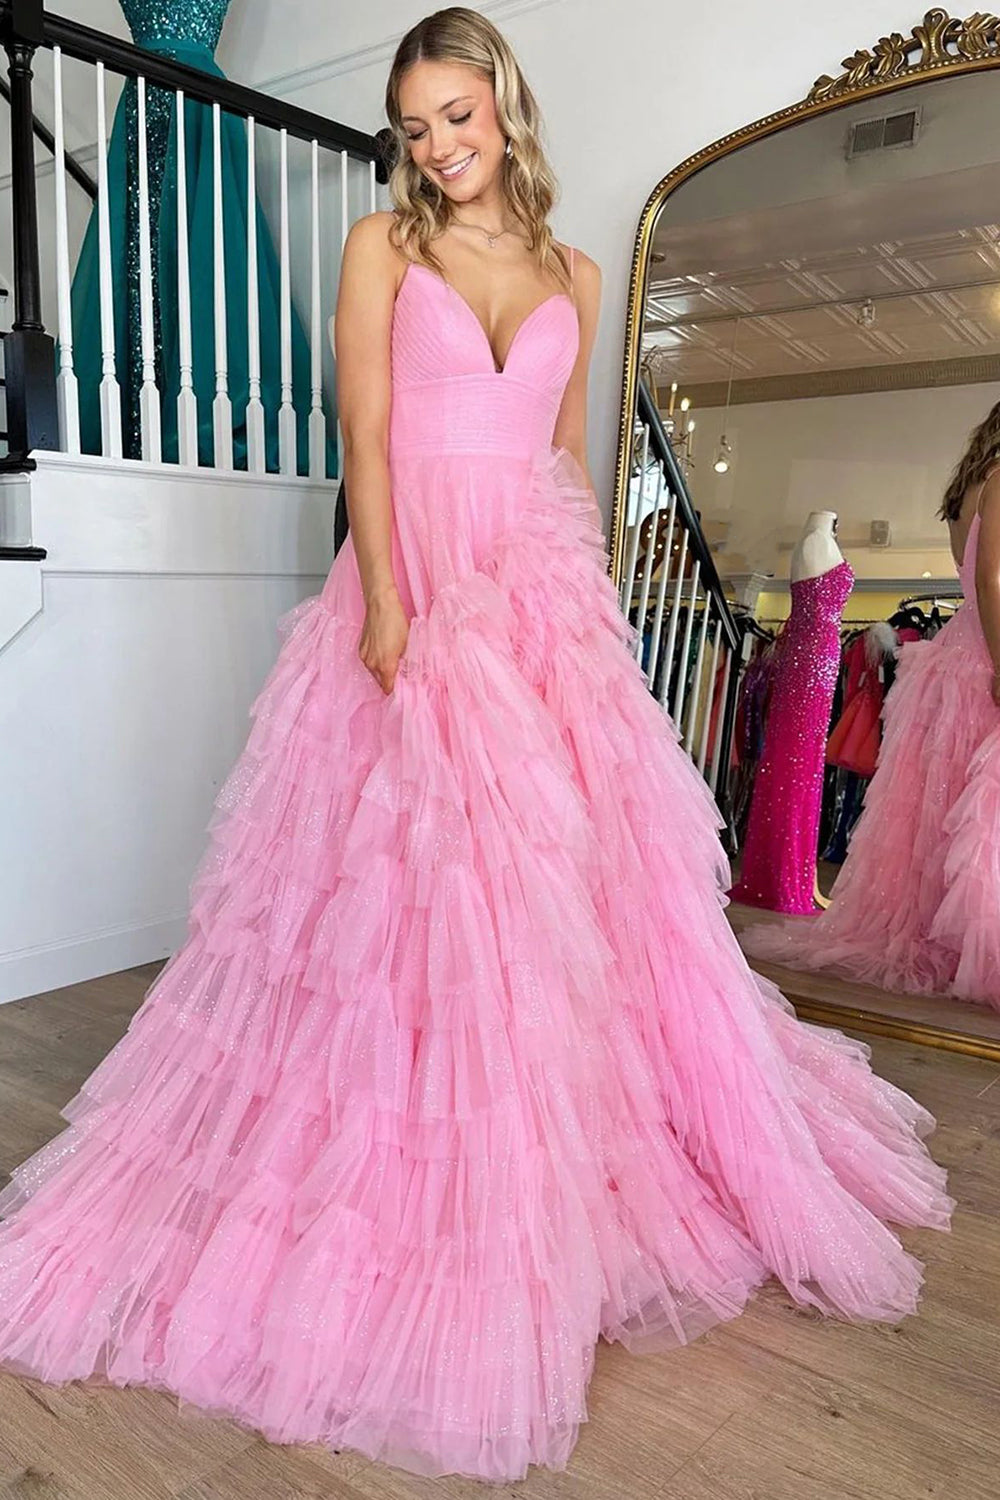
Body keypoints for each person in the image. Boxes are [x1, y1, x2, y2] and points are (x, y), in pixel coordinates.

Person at [0, 6, 953, 1485]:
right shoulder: (383, 251)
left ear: (504, 108)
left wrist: (583, 630)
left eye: (460, 114)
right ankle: (390, 1175)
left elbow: (566, 470)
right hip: (416, 589)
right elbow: (367, 440)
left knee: (559, 903)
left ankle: (542, 1175)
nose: (441, 144)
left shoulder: (576, 268)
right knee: (399, 892)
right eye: (417, 123)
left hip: (535, 600)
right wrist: (388, 602)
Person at [741, 402, 1000, 1011]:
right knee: (980, 804)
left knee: (949, 804)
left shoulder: (974, 482)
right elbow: (992, 579)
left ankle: (953, 937)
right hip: (987, 647)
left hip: (962, 644)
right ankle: (975, 945)